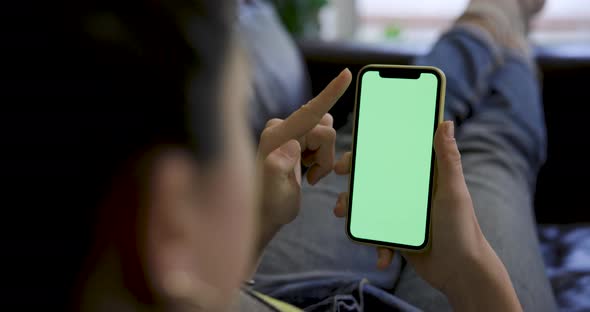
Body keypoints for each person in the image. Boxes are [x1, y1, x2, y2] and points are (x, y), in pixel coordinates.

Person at [0, 1, 554, 312]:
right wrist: (477, 275)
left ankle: (488, 26)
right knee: (486, 150)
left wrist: (257, 225)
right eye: (235, 140)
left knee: (399, 137)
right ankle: (497, 22)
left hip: (263, 289)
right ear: (167, 226)